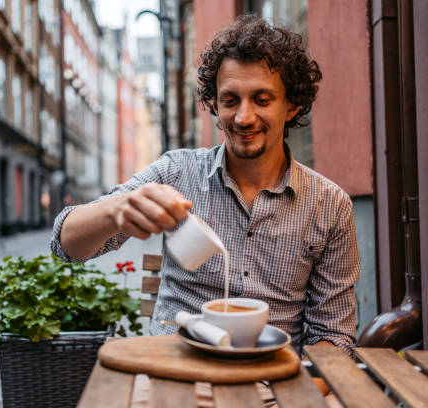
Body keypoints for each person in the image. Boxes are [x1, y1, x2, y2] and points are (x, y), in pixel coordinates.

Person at [51, 15, 359, 361]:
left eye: (262, 99)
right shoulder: (176, 172)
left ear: (292, 106)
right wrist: (117, 209)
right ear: (213, 104)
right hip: (173, 374)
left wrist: (302, 389)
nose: (243, 117)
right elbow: (65, 245)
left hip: (272, 380)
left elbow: (332, 334)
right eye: (230, 100)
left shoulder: (330, 205)